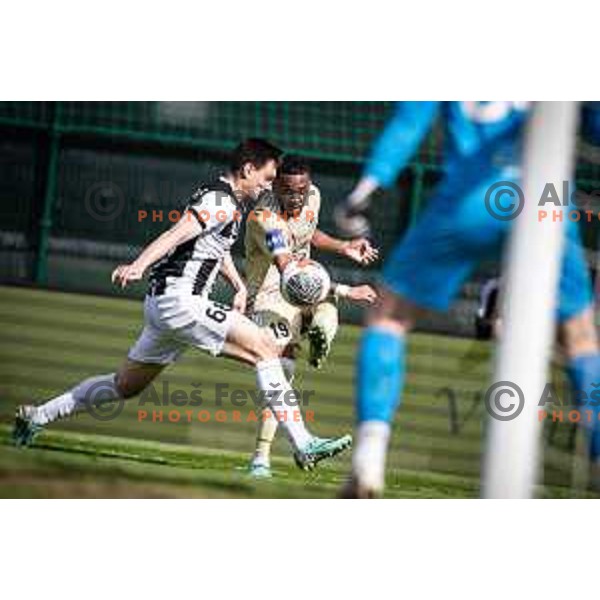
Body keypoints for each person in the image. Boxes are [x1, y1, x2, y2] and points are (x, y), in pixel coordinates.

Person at [13, 138, 351, 471]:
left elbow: (212, 249)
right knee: (266, 349)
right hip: (180, 301)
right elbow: (176, 234)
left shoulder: (226, 203)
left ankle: (38, 415)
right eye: (266, 178)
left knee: (125, 385)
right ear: (248, 169)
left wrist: (237, 286)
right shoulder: (220, 202)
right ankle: (303, 442)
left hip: (164, 305)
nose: (268, 186)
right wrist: (139, 265)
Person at [335, 102, 598, 497]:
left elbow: (410, 123)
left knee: (388, 317)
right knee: (580, 340)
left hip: (471, 197)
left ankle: (369, 461)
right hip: (545, 198)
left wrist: (367, 187)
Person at [243, 154, 378, 477]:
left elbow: (308, 233)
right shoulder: (264, 216)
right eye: (288, 191)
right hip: (269, 293)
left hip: (302, 280)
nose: (296, 197)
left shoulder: (313, 196)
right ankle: (261, 459)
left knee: (326, 314)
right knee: (283, 370)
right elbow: (288, 269)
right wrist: (346, 290)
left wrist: (343, 246)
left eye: (301, 190)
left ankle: (319, 339)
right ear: (276, 185)